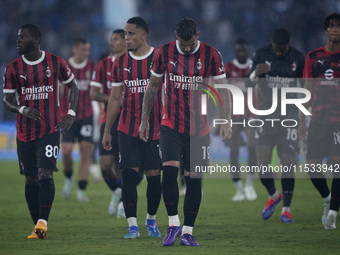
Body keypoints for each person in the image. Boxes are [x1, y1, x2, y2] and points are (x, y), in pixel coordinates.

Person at [139, 18, 232, 246]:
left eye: (191, 44)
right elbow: (152, 86)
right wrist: (144, 120)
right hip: (170, 123)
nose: (188, 48)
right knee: (169, 173)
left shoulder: (212, 54)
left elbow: (223, 89)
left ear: (198, 34)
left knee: (194, 180)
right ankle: (173, 225)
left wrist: (226, 120)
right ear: (176, 36)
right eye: (183, 44)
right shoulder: (164, 52)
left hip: (199, 128)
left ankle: (188, 232)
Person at [2, 24, 78, 239]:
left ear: (35, 39)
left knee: (45, 174)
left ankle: (42, 224)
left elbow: (72, 86)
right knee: (31, 179)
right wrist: (22, 108)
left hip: (50, 129)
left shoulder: (55, 62)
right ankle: (37, 225)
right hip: (24, 131)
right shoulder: (13, 68)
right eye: (17, 37)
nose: (17, 41)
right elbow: (7, 100)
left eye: (22, 37)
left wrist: (71, 113)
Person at [102, 17, 162, 239]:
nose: (126, 38)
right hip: (126, 127)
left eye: (131, 34)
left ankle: (151, 220)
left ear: (144, 36)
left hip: (155, 128)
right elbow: (115, 98)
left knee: (154, 177)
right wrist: (108, 130)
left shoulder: (159, 57)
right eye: (125, 34)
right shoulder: (119, 62)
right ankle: (133, 226)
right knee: (128, 176)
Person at [247, 29, 305, 222]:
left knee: (287, 163)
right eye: (277, 49)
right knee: (262, 163)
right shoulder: (261, 55)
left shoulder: (298, 57)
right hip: (265, 117)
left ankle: (286, 210)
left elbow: (307, 88)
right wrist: (255, 73)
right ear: (271, 42)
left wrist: (305, 119)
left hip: (289, 118)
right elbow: (247, 83)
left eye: (283, 49)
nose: (279, 53)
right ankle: (274, 195)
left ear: (289, 44)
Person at [298, 13, 340, 229]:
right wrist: (301, 119)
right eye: (331, 26)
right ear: (326, 30)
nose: (335, 30)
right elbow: (307, 88)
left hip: (338, 121)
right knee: (312, 167)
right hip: (317, 120)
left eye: (338, 27)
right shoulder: (313, 56)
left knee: (337, 166)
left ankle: (332, 213)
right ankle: (328, 198)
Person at [90, 29, 127, 216]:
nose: (112, 43)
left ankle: (123, 201)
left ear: (125, 42)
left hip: (129, 119)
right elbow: (93, 94)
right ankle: (118, 192)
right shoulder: (103, 65)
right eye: (111, 39)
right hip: (109, 119)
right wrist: (113, 99)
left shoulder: (131, 63)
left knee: (124, 165)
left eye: (116, 39)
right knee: (105, 165)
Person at [60, 38, 96, 202]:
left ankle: (81, 189)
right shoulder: (64, 67)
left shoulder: (93, 68)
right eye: (83, 49)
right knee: (66, 151)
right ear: (74, 49)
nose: (86, 53)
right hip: (68, 117)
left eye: (87, 50)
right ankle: (69, 177)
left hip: (87, 116)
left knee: (85, 151)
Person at [224, 39, 257, 201]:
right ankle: (238, 189)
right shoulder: (228, 68)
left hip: (252, 113)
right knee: (234, 151)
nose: (242, 53)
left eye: (244, 50)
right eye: (239, 50)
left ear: (248, 50)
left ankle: (249, 184)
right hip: (234, 114)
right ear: (235, 51)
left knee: (252, 147)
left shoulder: (255, 67)